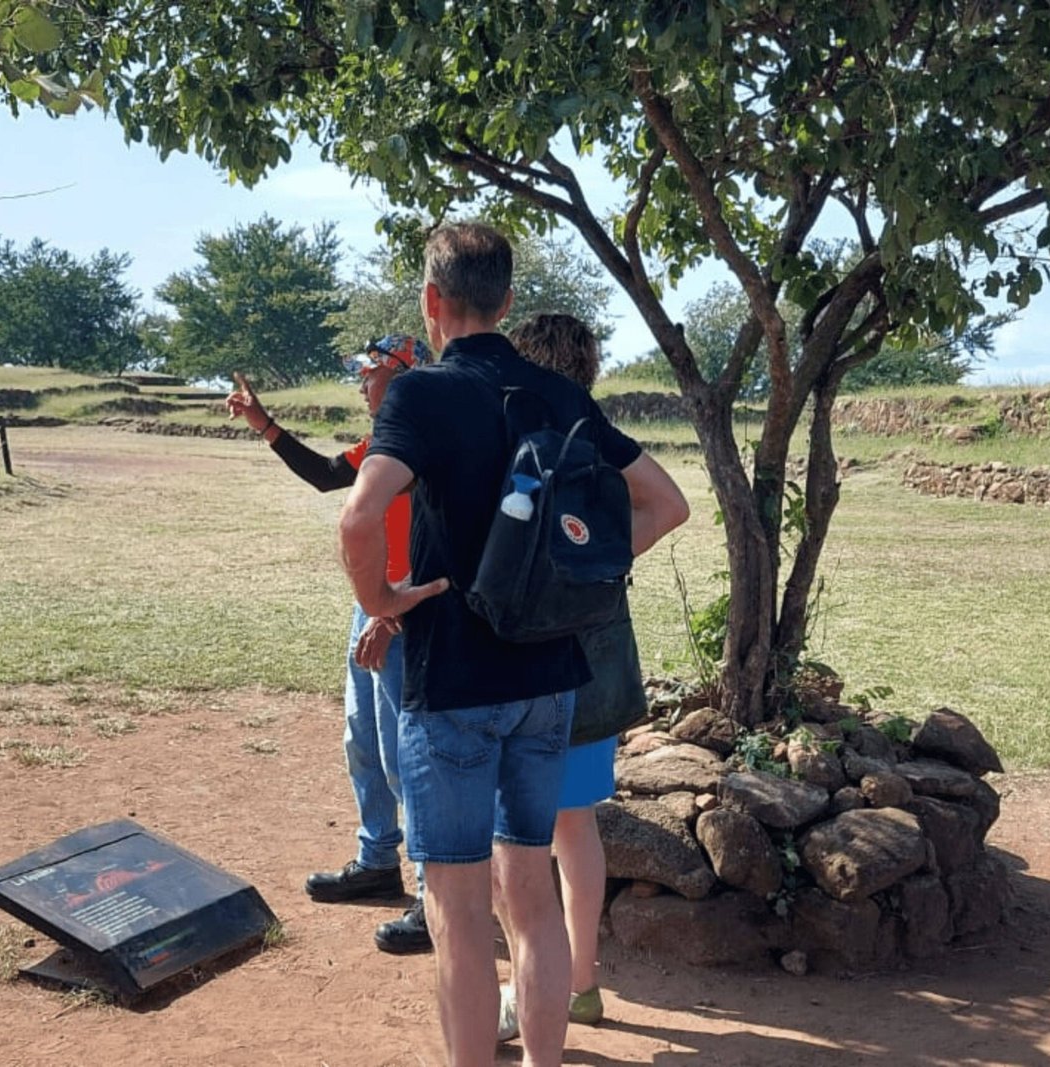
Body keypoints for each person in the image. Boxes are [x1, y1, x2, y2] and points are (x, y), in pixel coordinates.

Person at [339, 221, 685, 1067]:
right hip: (545, 680)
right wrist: (581, 577)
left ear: (432, 300)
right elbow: (665, 505)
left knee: (458, 910)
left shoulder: (420, 396)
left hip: (451, 681)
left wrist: (382, 598)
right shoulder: (560, 396)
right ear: (507, 299)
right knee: (531, 899)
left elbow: (357, 515)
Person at [494, 312, 689, 1042]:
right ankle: (582, 983)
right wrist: (600, 560)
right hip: (594, 649)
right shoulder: (599, 434)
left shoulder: (516, 430)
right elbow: (672, 504)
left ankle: (528, 987)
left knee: (513, 835)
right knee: (575, 827)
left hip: (525, 654)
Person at [224, 335, 434, 955]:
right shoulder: (382, 443)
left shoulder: (426, 446)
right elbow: (323, 477)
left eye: (370, 373)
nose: (362, 383)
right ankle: (377, 861)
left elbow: (435, 543)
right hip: (369, 604)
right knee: (362, 739)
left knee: (405, 754)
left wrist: (391, 612)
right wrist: (265, 425)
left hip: (401, 610)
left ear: (401, 376)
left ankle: (431, 893)